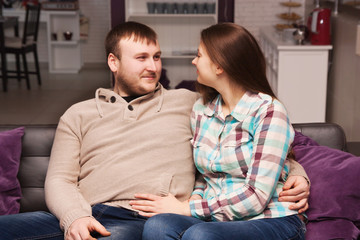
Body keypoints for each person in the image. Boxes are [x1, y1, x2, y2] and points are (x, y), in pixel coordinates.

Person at [0, 21, 308, 240]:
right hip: (84, 212)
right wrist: (75, 218)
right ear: (113, 62)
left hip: (143, 219)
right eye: (141, 58)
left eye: (156, 57)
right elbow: (59, 179)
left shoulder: (189, 103)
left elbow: (256, 136)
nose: (153, 67)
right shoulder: (78, 114)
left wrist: (295, 173)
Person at [130, 23, 307, 240]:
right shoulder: (201, 110)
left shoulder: (269, 111)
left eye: (199, 55)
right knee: (158, 225)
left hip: (269, 218)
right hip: (216, 216)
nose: (193, 61)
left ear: (219, 66)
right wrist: (193, 201)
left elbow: (257, 196)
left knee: (200, 235)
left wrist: (189, 209)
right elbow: (204, 177)